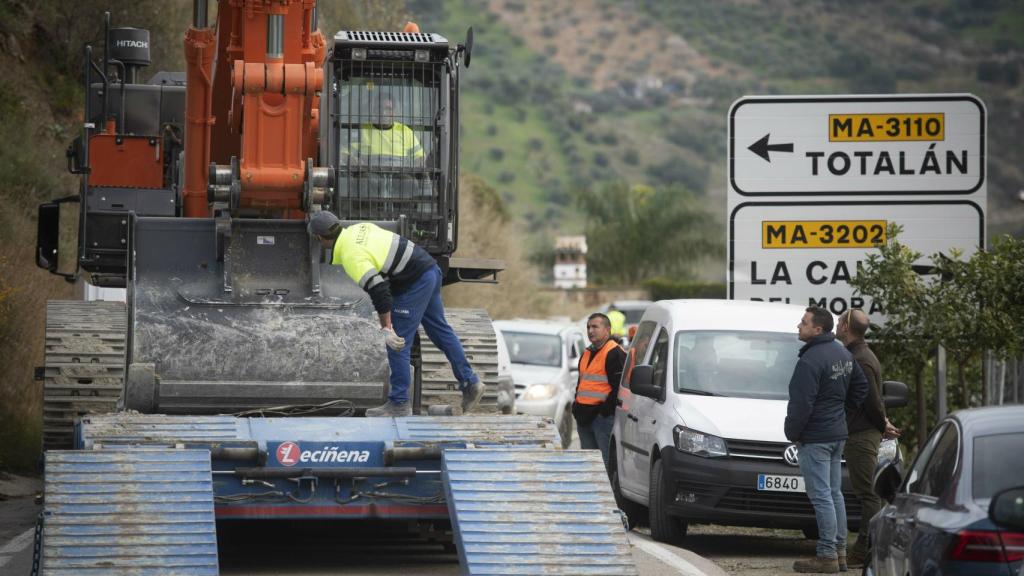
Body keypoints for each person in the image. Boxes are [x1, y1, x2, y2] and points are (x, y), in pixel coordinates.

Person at [307, 211, 483, 417]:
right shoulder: (358, 228)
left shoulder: (350, 255)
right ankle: (470, 382)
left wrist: (386, 328)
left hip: (415, 281)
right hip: (430, 270)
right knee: (440, 331)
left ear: (319, 238)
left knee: (397, 342)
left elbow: (379, 291)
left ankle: (399, 402)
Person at [785, 306, 869, 574]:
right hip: (836, 434)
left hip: (816, 437)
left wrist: (793, 433)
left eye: (804, 322)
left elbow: (802, 404)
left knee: (821, 496)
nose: (799, 325)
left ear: (817, 329)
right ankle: (840, 553)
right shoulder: (843, 354)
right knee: (834, 494)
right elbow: (861, 387)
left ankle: (826, 555)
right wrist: (841, 414)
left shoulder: (810, 361)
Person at [836, 309, 900, 569]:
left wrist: (882, 423)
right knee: (867, 493)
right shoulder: (859, 354)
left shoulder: (860, 359)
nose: (837, 326)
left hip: (862, 435)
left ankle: (865, 549)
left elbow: (872, 400)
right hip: (864, 431)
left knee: (869, 494)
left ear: (846, 327)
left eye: (840, 322)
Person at [571, 313, 626, 469]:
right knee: (588, 464)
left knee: (603, 465)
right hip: (584, 417)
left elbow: (618, 389)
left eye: (595, 326)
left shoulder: (614, 353)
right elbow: (582, 383)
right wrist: (576, 406)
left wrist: (604, 412)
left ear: (607, 329)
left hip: (601, 419)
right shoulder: (587, 352)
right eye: (588, 327)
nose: (590, 330)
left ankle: (605, 493)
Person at [347, 95, 423, 163]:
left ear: (395, 112)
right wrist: (353, 160)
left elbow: (419, 156)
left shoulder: (405, 131)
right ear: (374, 111)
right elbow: (344, 153)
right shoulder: (362, 129)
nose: (383, 113)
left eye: (388, 109)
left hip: (400, 175)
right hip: (368, 174)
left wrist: (419, 165)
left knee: (407, 179)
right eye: (379, 108)